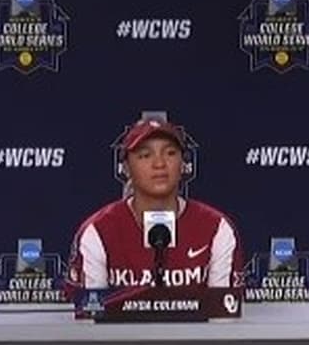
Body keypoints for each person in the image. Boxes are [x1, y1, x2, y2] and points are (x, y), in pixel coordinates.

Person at [66, 117, 245, 294]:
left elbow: (224, 313)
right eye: (145, 155)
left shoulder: (216, 228)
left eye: (170, 153)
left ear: (183, 164)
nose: (159, 164)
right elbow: (88, 313)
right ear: (126, 168)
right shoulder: (97, 231)